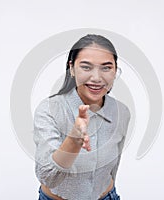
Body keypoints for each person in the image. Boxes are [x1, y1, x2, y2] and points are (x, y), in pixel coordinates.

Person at [33, 34, 131, 200]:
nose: (97, 78)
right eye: (86, 67)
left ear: (115, 71)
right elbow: (48, 177)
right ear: (71, 68)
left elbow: (112, 169)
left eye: (106, 68)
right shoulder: (49, 110)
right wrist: (73, 140)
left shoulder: (121, 112)